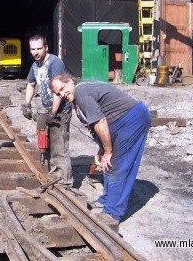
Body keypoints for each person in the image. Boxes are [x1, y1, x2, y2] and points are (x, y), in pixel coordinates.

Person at [50, 71, 152, 221]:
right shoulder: (77, 99)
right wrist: (102, 149)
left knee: (118, 165)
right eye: (58, 94)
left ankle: (112, 213)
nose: (62, 94)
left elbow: (100, 122)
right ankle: (107, 199)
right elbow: (95, 126)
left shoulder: (82, 93)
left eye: (63, 88)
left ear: (70, 81)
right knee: (107, 163)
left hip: (132, 119)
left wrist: (108, 151)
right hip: (118, 122)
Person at [21, 34, 73, 186]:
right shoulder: (35, 65)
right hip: (47, 108)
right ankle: (53, 176)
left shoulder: (55, 63)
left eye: (39, 48)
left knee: (59, 147)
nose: (36, 52)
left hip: (60, 110)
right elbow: (31, 84)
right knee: (46, 144)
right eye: (33, 49)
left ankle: (65, 182)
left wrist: (53, 113)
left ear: (46, 48)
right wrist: (26, 104)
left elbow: (58, 91)